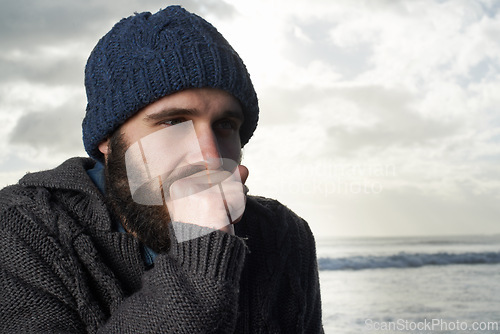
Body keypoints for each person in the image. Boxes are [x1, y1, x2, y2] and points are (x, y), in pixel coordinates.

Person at [0, 5, 323, 333]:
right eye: (173, 122)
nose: (209, 155)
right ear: (108, 140)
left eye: (225, 124)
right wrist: (199, 261)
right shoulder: (20, 228)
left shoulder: (283, 235)